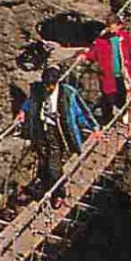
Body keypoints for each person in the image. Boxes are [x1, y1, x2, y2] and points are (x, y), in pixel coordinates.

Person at [15, 65, 100, 203]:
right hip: (41, 130)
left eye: (51, 85)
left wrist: (94, 127)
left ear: (57, 82)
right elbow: (30, 101)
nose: (48, 88)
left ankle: (59, 193)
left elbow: (82, 111)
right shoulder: (38, 90)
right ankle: (44, 187)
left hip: (58, 132)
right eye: (46, 85)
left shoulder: (68, 93)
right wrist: (23, 112)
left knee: (53, 164)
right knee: (43, 160)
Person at [80, 18, 131, 122]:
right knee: (108, 97)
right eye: (109, 25)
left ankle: (124, 114)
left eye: (113, 25)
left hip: (122, 74)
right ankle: (107, 120)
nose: (111, 28)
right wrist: (84, 56)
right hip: (107, 75)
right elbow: (92, 52)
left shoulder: (126, 38)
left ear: (119, 26)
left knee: (121, 96)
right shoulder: (101, 41)